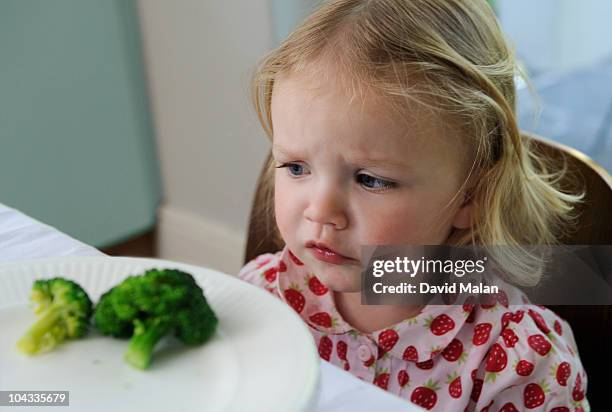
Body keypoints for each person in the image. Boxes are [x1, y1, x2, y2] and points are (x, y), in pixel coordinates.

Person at [239, 0, 589, 410]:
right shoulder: (262, 298)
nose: (320, 211)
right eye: (296, 167)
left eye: (371, 179)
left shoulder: (516, 363)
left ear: (472, 195)